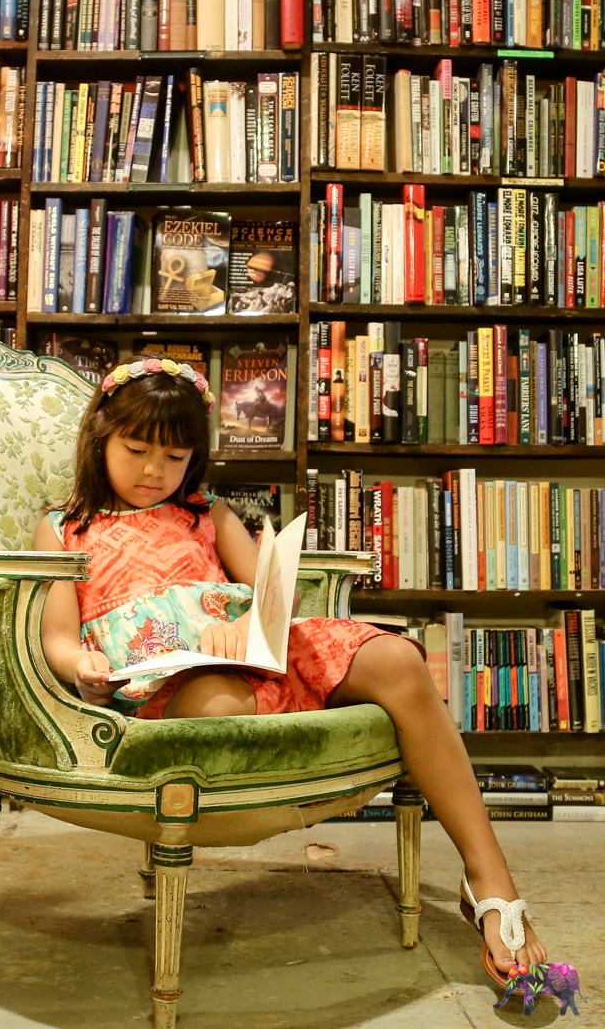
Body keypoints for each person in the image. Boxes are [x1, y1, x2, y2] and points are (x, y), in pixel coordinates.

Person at [35, 354, 548, 986]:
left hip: (261, 655)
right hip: (173, 677)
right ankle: (311, 710)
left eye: (174, 458)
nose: (153, 472)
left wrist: (251, 628)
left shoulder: (207, 514)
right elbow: (59, 635)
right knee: (215, 707)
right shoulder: (66, 528)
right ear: (100, 438)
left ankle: (487, 872)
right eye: (136, 449)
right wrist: (79, 663)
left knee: (396, 656)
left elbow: (275, 603)